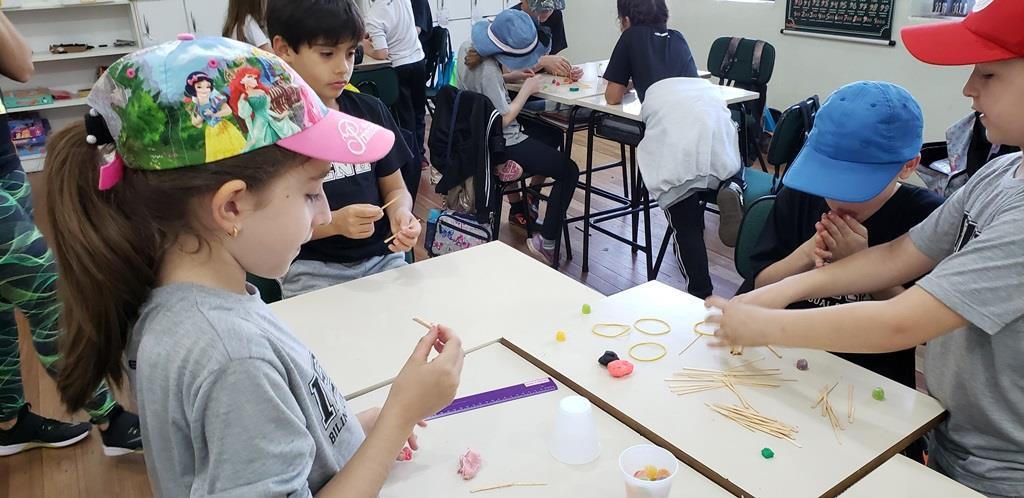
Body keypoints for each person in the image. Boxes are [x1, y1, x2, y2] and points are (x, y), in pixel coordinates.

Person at [44, 36, 462, 496]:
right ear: (232, 207)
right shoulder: (233, 359)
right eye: (311, 192)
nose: (324, 213)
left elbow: (267, 440)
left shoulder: (191, 306)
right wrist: (401, 414)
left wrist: (360, 429)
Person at [705, 2, 1024, 495]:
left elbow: (902, 322)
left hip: (1003, 470)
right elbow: (897, 255)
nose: (968, 88)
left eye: (989, 74)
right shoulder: (1001, 174)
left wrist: (764, 324)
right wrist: (777, 291)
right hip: (954, 435)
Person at [0, 11, 141, 458]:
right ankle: (109, 418)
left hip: (2, 160)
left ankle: (8, 420)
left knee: (3, 295)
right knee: (43, 285)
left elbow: (22, 66)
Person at [743, 81, 942, 389]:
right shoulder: (803, 193)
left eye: (856, 185)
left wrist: (863, 266)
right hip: (783, 360)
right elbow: (761, 285)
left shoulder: (928, 218)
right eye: (827, 179)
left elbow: (923, 328)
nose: (836, 198)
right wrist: (807, 252)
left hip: (871, 378)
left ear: (908, 166)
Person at [267, 0, 420, 298]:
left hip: (382, 259)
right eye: (327, 54)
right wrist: (334, 224)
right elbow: (271, 227)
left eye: (350, 53)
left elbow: (395, 189)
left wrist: (401, 213)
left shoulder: (370, 111)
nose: (343, 67)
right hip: (311, 269)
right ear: (284, 49)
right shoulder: (275, 126)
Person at [458, 10, 579, 265]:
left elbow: (484, 84)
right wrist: (526, 90)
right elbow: (503, 118)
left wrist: (509, 77)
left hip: (480, 138)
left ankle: (523, 189)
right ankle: (546, 242)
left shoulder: (467, 49)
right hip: (503, 140)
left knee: (552, 133)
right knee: (569, 171)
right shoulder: (488, 70)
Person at [363, 0, 428, 191]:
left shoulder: (374, 16)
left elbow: (382, 53)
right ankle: (420, 154)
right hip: (418, 60)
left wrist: (365, 47)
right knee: (419, 112)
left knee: (405, 118)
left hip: (399, 67)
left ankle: (410, 161)